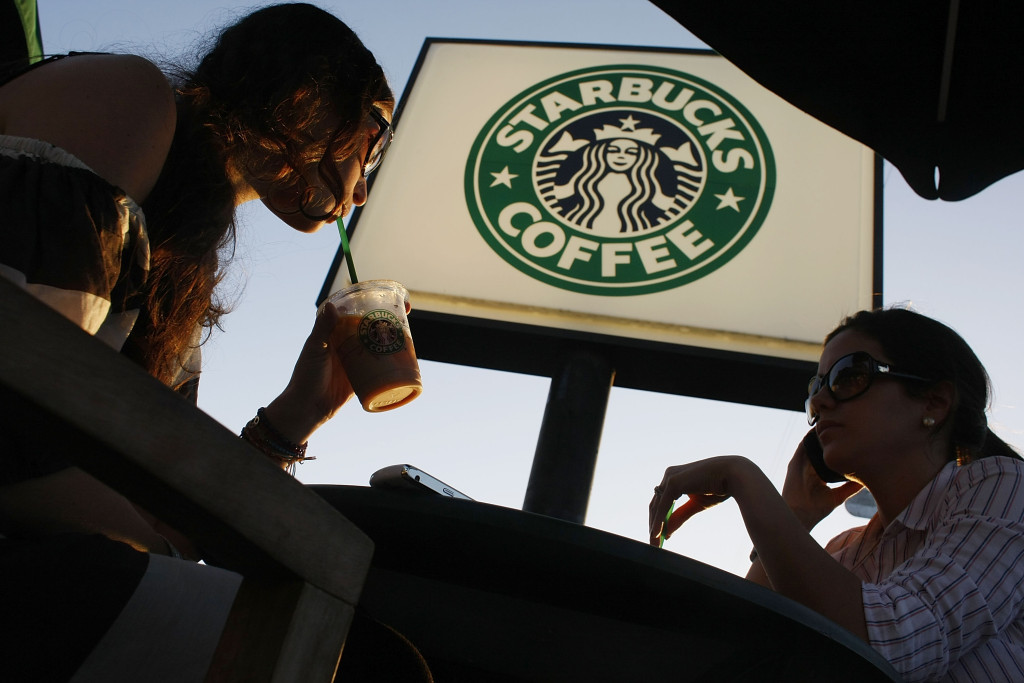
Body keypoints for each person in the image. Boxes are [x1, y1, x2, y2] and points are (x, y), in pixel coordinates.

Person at [0, 4, 431, 681]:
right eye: (372, 139)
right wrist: (181, 557)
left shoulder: (178, 262)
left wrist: (295, 415)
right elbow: (13, 409)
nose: (363, 191)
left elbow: (170, 516)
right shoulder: (126, 98)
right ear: (305, 94)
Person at [649, 307, 1024, 682]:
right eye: (816, 386)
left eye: (849, 375)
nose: (822, 401)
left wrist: (740, 476)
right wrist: (792, 515)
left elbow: (896, 644)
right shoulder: (843, 553)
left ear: (934, 403)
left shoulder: (1003, 488)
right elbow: (738, 652)